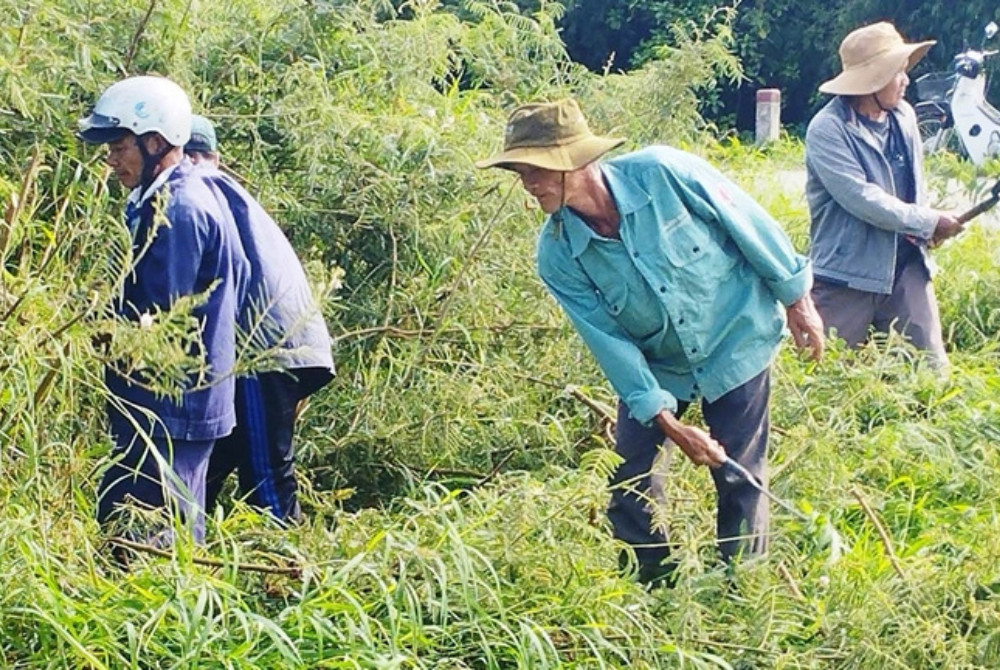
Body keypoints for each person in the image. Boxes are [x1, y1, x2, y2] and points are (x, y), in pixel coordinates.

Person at [476, 99, 824, 584]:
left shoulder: (664, 173)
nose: (528, 185)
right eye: (520, 172)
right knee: (630, 477)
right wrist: (666, 420)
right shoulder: (557, 254)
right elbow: (610, 343)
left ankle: (743, 588)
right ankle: (654, 585)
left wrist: (797, 300)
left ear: (575, 162)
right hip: (660, 361)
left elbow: (748, 223)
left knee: (738, 470)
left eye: (536, 170)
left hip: (735, 333)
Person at [78, 76, 250, 546]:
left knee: (146, 534)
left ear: (155, 142)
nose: (111, 159)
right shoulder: (171, 195)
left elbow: (155, 323)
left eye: (119, 145)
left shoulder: (179, 209)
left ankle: (152, 617)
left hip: (170, 405)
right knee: (149, 521)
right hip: (169, 403)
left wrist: (81, 332)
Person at [184, 114, 335, 524]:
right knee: (205, 469)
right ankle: (191, 566)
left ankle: (284, 571)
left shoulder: (194, 191)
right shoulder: (224, 189)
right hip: (282, 345)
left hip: (261, 350)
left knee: (265, 475)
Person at [805, 22, 963, 369]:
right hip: (846, 276)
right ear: (872, 81)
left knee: (930, 376)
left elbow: (912, 188)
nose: (905, 80)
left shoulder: (904, 117)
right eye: (897, 72)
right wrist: (928, 221)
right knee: (824, 375)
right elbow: (862, 199)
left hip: (906, 268)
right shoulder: (828, 130)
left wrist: (927, 229)